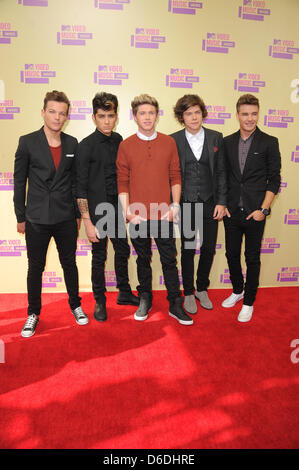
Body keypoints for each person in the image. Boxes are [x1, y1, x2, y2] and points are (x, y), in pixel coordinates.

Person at [13, 90, 88, 338]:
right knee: (36, 266)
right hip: (36, 218)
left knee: (70, 263)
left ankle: (75, 305)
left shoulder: (72, 143)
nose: (57, 117)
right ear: (43, 112)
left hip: (66, 216)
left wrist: (78, 214)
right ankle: (33, 313)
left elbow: (76, 181)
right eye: (52, 111)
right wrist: (20, 216)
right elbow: (19, 181)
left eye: (62, 113)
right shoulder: (27, 141)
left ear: (67, 116)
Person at [116, 94, 193, 325]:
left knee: (170, 260)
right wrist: (127, 211)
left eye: (151, 113)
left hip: (164, 214)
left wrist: (175, 206)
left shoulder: (169, 143)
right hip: (137, 215)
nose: (147, 117)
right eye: (142, 113)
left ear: (157, 115)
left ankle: (174, 303)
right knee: (142, 259)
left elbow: (175, 176)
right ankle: (145, 298)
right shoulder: (125, 145)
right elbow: (122, 181)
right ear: (134, 116)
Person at [76, 92, 139, 322]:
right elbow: (80, 188)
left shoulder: (119, 139)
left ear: (116, 116)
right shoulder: (85, 146)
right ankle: (100, 301)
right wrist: (87, 221)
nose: (106, 121)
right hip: (97, 211)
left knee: (122, 250)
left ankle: (123, 291)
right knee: (99, 257)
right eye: (102, 116)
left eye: (110, 116)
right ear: (94, 117)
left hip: (117, 208)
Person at [222, 94, 281, 322]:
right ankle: (238, 290)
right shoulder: (226, 142)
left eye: (254, 114)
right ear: (237, 115)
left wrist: (264, 210)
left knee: (252, 258)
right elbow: (223, 177)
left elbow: (274, 180)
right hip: (231, 212)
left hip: (256, 213)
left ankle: (249, 302)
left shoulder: (269, 142)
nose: (249, 118)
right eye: (245, 114)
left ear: (258, 114)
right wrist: (223, 204)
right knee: (231, 254)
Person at [171, 94, 227, 314]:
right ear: (181, 117)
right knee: (186, 248)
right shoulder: (173, 139)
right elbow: (171, 175)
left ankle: (202, 287)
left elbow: (222, 172)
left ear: (202, 113)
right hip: (186, 203)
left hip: (210, 202)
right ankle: (188, 291)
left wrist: (222, 201)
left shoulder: (216, 137)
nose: (193, 117)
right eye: (188, 113)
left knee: (209, 248)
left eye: (196, 112)